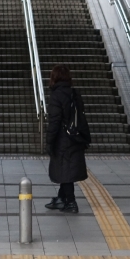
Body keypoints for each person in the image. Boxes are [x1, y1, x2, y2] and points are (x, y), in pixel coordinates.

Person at [45, 64, 90, 213]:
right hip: (75, 136)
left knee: (65, 171)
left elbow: (54, 121)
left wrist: (49, 141)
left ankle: (71, 202)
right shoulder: (74, 93)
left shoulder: (57, 96)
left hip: (63, 140)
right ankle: (61, 198)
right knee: (66, 170)